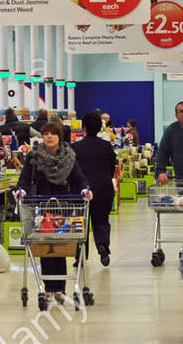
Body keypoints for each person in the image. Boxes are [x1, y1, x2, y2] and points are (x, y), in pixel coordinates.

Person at [15, 118, 91, 291]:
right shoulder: (33, 156)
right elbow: (25, 178)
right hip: (41, 206)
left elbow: (79, 178)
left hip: (64, 207)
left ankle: (60, 288)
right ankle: (49, 288)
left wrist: (85, 189)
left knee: (60, 247)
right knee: (45, 247)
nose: (49, 137)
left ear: (60, 136)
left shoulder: (69, 157)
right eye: (46, 134)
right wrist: (22, 190)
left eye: (53, 134)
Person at [73, 110, 118, 265]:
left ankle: (79, 256)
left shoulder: (76, 148)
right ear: (100, 128)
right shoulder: (106, 146)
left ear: (83, 127)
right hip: (104, 188)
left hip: (82, 191)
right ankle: (102, 245)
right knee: (101, 221)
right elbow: (112, 168)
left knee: (80, 222)